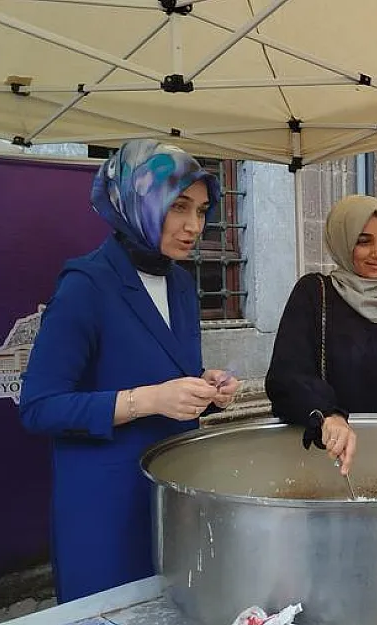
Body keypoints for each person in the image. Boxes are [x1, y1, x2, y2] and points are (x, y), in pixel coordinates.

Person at [19, 140, 241, 602]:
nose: (194, 226)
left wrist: (206, 382)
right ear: (138, 200)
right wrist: (149, 400)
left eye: (201, 211)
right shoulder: (86, 284)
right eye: (179, 206)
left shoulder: (180, 283)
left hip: (173, 493)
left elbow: (158, 361)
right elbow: (39, 407)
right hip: (105, 507)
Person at [266, 195, 377, 475]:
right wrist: (328, 414)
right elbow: (287, 375)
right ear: (342, 243)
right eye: (363, 241)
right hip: (330, 456)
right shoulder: (315, 294)